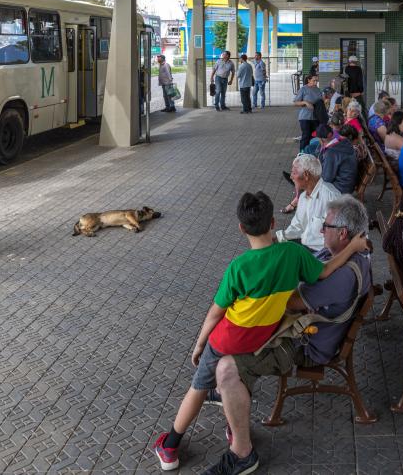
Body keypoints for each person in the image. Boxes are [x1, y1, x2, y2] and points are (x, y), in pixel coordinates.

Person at [152, 191, 367, 473]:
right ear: (273, 222)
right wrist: (352, 248)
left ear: (241, 228)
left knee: (199, 387)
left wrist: (199, 344)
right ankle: (232, 425)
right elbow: (323, 272)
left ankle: (170, 445)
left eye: (325, 226)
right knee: (227, 374)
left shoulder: (239, 267)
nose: (320, 230)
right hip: (259, 339)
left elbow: (215, 313)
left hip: (226, 339)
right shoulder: (293, 253)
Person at [277, 154, 342, 251]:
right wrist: (279, 238)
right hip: (306, 245)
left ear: (306, 175)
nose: (291, 177)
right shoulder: (303, 197)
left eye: (294, 173)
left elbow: (339, 236)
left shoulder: (331, 197)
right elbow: (297, 225)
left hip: (323, 253)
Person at [321, 124, 359, 194]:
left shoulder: (332, 150)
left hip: (340, 188)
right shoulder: (345, 143)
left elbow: (326, 178)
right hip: (347, 185)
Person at [294, 75, 324, 151]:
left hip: (316, 117)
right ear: (309, 80)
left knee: (315, 136)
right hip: (305, 117)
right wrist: (305, 103)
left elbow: (321, 101)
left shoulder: (318, 90)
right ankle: (302, 153)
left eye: (317, 81)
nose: (316, 82)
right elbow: (295, 102)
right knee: (306, 135)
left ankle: (311, 153)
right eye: (314, 80)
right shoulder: (303, 89)